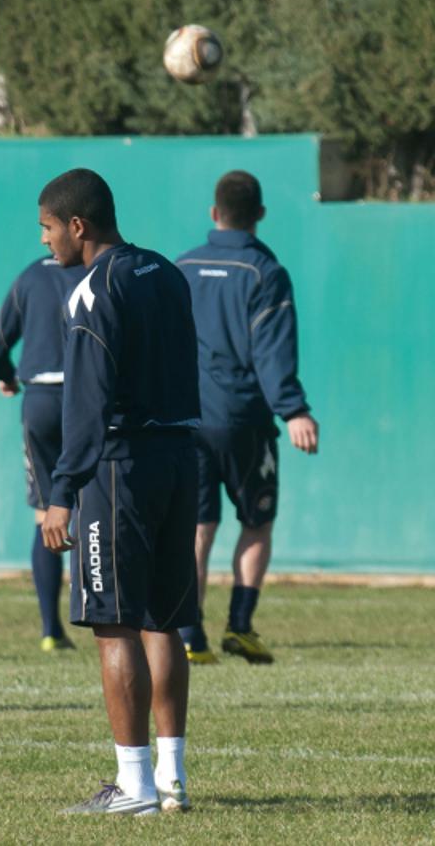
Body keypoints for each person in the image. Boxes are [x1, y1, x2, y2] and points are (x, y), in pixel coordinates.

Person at [37, 169, 199, 815]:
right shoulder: (165, 271)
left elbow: (88, 400)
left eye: (49, 228)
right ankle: (173, 777)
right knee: (165, 618)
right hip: (179, 457)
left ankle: (133, 787)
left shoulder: (90, 290)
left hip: (119, 466)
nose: (47, 243)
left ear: (78, 226)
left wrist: (62, 487)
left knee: (112, 622)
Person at [175, 171, 319, 665]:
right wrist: (294, 409)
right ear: (259, 214)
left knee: (196, 529)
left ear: (214, 214)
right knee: (257, 521)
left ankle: (191, 634)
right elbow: (272, 351)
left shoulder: (182, 266)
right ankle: (239, 626)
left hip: (186, 421)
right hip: (242, 419)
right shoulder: (264, 272)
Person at [0, 255, 86, 652]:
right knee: (94, 507)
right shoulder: (101, 270)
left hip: (41, 400)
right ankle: (102, 619)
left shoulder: (30, 275)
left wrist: (7, 377)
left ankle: (50, 630)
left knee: (47, 511)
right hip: (88, 399)